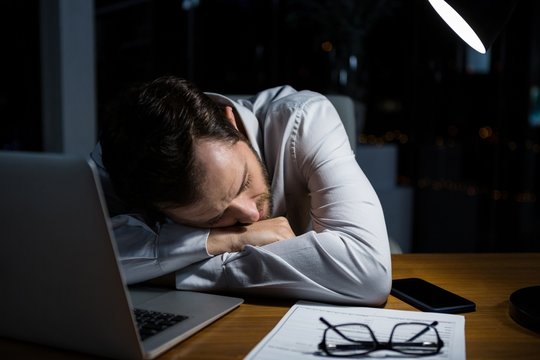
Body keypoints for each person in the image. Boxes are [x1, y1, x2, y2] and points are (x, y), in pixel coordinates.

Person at [90, 75, 391, 305]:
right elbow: (74, 259)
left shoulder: (304, 118)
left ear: (229, 121)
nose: (250, 214)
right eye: (214, 218)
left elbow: (368, 272)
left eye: (244, 181)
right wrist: (233, 240)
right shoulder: (127, 167)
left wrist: (176, 273)